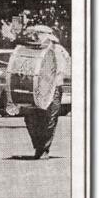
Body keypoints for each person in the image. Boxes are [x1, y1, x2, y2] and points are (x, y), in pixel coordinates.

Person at [21, 25, 71, 160]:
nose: (34, 37)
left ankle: (43, 148)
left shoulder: (58, 50)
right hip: (34, 89)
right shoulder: (30, 50)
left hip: (53, 88)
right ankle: (39, 145)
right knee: (30, 118)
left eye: (37, 34)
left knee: (49, 119)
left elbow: (61, 69)